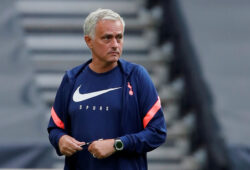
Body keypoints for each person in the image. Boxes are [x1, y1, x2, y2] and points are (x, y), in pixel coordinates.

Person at [48, 8, 167, 170]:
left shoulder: (136, 76)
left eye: (119, 37)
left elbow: (157, 132)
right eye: (107, 38)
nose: (115, 45)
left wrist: (117, 144)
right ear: (89, 41)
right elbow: (55, 128)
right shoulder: (71, 78)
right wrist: (61, 140)